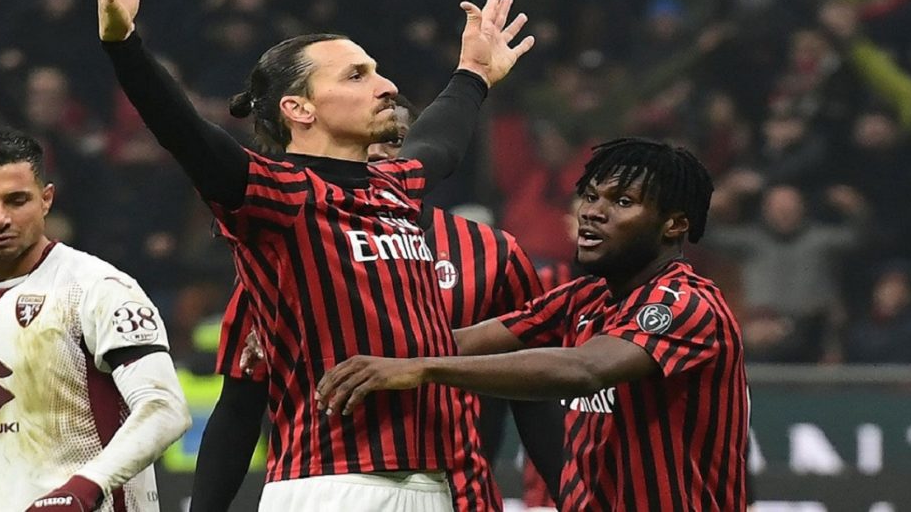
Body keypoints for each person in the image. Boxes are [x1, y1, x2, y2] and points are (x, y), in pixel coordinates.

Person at [95, 0, 534, 512]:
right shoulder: (277, 196)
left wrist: (472, 74)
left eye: (376, 70)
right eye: (357, 75)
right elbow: (185, 133)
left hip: (433, 485)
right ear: (298, 108)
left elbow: (441, 143)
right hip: (333, 483)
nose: (387, 86)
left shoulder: (394, 186)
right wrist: (124, 45)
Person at [317, 137, 750, 511]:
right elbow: (447, 342)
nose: (593, 212)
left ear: (675, 224)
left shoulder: (685, 304)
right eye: (591, 197)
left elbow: (584, 370)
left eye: (622, 202)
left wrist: (423, 368)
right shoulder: (584, 298)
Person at [191, 98, 563, 511]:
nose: (376, 153)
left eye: (393, 140)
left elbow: (537, 397)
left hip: (460, 495)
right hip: (329, 488)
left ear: (422, 157)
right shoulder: (289, 248)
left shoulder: (491, 253)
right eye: (361, 141)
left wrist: (576, 501)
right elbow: (239, 407)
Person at [0, 126, 191, 512]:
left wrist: (83, 488)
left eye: (17, 200)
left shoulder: (99, 287)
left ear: (46, 199)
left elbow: (164, 407)